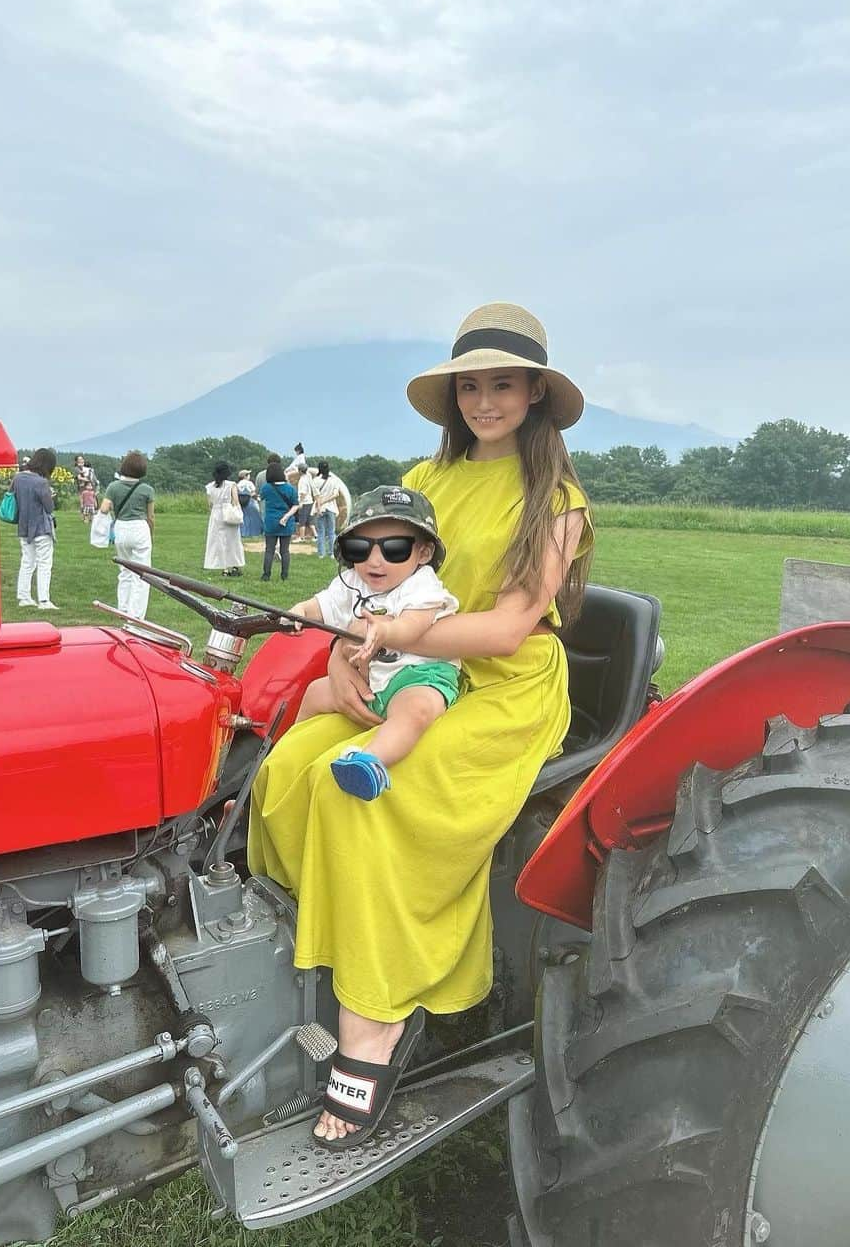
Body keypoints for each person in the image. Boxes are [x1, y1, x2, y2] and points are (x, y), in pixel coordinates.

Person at [249, 301, 592, 1148]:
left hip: (503, 685)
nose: (484, 401)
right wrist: (342, 658)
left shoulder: (557, 499)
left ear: (536, 392)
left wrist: (400, 635)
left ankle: (378, 1025)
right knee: (293, 765)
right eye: (470, 386)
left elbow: (509, 627)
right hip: (406, 671)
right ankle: (312, 956)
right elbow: (363, 590)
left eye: (502, 384)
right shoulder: (424, 481)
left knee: (373, 795)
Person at [286, 487, 460, 799]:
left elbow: (414, 627)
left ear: (424, 553)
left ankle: (370, 762)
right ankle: (282, 760)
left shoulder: (422, 584)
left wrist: (385, 630)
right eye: (359, 548)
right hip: (368, 679)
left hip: (417, 675)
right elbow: (322, 606)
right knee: (314, 692)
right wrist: (300, 611)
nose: (374, 561)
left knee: (417, 709)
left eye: (394, 549)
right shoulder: (352, 581)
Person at [98, 451, 156, 618]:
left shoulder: (113, 487)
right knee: (143, 573)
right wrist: (151, 534)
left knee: (125, 570)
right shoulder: (147, 490)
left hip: (121, 528)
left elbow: (104, 508)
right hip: (139, 527)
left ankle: (123, 607)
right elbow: (150, 516)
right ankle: (136, 613)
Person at [12, 448, 58, 610]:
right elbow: (49, 507)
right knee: (44, 563)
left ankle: (24, 596)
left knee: (27, 561)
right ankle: (44, 600)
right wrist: (50, 496)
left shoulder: (18, 478)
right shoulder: (41, 482)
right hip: (41, 527)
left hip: (24, 526)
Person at [258, 461, 298, 582]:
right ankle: (284, 575)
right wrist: (286, 517)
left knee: (269, 550)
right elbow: (296, 505)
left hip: (271, 522)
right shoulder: (290, 488)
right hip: (286, 522)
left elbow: (260, 498)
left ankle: (266, 575)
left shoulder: (266, 488)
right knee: (285, 551)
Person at [204, 461, 244, 576]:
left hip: (216, 514)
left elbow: (210, 504)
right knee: (232, 541)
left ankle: (224, 567)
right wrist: (238, 512)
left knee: (219, 541)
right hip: (228, 513)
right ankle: (233, 565)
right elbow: (235, 501)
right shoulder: (231, 485)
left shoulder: (210, 486)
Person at [311, 460, 342, 559]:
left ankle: (321, 554)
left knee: (321, 532)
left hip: (320, 508)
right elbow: (336, 494)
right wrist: (326, 501)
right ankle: (332, 553)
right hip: (331, 507)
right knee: (331, 531)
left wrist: (320, 506)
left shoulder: (315, 480)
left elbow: (316, 496)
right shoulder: (334, 480)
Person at [237, 470, 263, 538]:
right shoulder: (249, 483)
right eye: (248, 474)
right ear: (245, 476)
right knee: (254, 518)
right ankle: (254, 532)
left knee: (244, 518)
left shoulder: (238, 484)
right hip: (250, 501)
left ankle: (243, 532)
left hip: (242, 502)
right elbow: (254, 492)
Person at [294, 463, 315, 543]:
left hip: (305, 502)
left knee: (302, 521)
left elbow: (303, 493)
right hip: (310, 501)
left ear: (300, 471)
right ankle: (315, 536)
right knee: (310, 520)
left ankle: (301, 537)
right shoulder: (308, 477)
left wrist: (301, 503)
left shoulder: (302, 480)